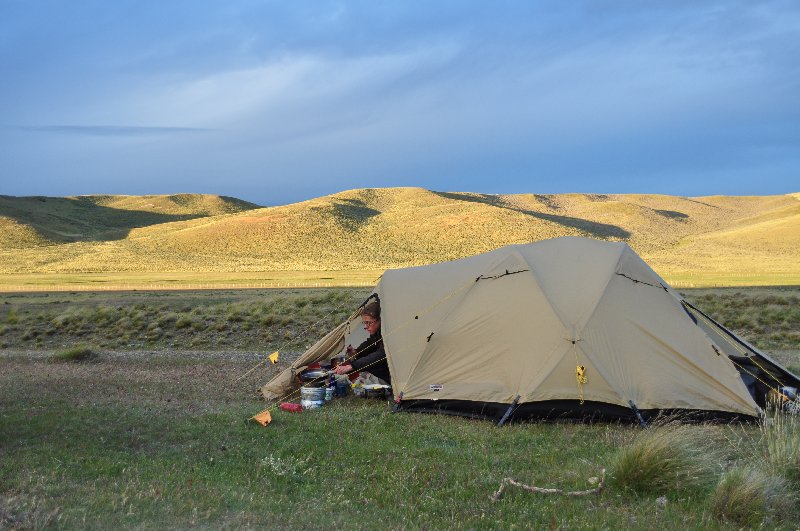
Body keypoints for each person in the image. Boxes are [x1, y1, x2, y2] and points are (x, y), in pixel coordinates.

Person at [333, 301, 391, 384]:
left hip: (395, 369)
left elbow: (382, 354)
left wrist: (352, 366)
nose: (365, 326)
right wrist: (357, 351)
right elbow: (371, 343)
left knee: (369, 363)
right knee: (362, 359)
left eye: (369, 322)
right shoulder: (378, 331)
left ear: (380, 320)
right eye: (364, 322)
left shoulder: (389, 332)